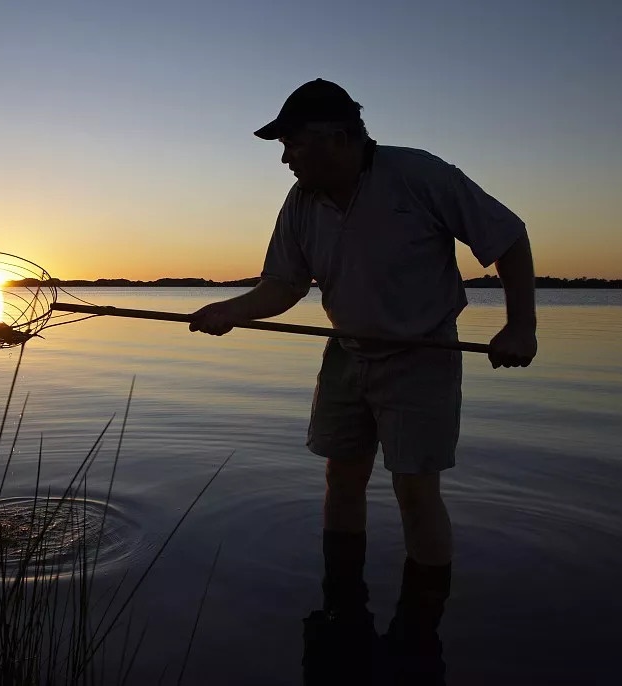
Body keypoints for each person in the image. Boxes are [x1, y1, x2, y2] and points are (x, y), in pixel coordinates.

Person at [188, 79, 537, 681]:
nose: (284, 156)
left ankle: (422, 627)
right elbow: (284, 286)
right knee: (339, 474)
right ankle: (339, 602)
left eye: (292, 143)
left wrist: (521, 327)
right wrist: (229, 312)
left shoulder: (417, 175)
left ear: (339, 139)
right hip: (347, 349)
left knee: (414, 490)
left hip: (421, 351)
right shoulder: (301, 202)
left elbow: (508, 238)